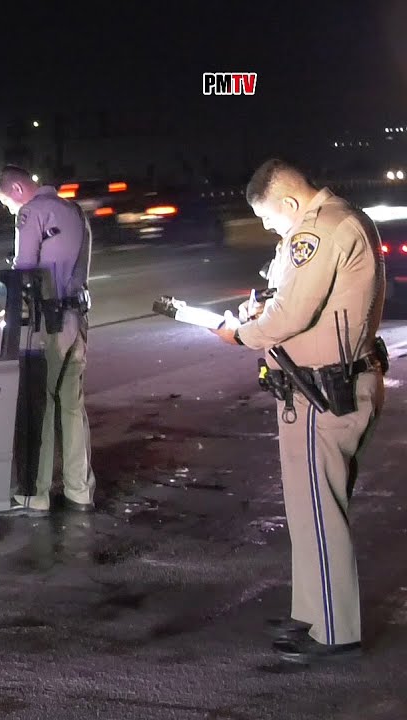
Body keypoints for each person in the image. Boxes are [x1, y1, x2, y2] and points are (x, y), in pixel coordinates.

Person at [213, 158, 386, 663]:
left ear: (289, 203)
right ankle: (313, 613)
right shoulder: (343, 219)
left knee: (318, 510)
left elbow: (291, 315)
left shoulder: (320, 230)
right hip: (333, 384)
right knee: (312, 511)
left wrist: (241, 334)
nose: (269, 228)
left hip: (322, 393)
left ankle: (333, 630)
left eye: (269, 218)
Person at [0, 165, 97, 514]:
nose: (11, 211)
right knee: (72, 406)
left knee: (42, 407)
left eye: (8, 203)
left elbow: (24, 271)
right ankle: (79, 491)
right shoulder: (75, 212)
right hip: (78, 318)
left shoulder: (31, 213)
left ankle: (35, 494)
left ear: (18, 189)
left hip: (48, 323)